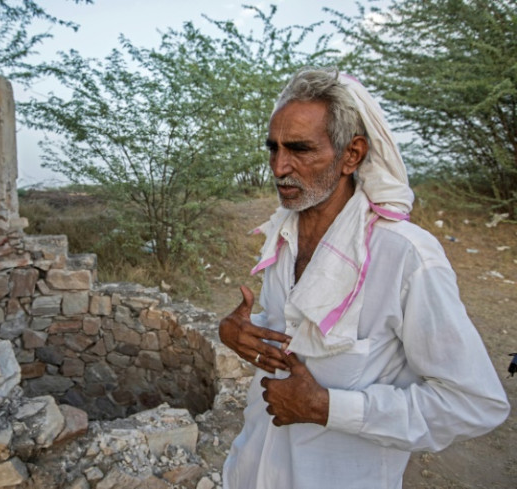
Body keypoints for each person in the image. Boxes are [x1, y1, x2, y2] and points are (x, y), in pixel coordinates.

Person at [219, 67, 510, 489]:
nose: (280, 166)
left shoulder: (407, 256)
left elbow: (473, 402)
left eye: (300, 149)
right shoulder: (284, 233)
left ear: (351, 155)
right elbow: (295, 334)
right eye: (273, 148)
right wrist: (239, 332)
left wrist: (326, 407)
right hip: (252, 471)